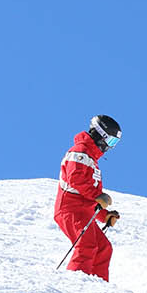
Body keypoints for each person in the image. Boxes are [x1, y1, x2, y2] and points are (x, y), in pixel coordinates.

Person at [54, 115, 123, 282]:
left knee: (103, 248)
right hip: (70, 210)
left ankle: (98, 287)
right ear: (101, 136)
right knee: (87, 246)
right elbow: (75, 180)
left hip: (83, 212)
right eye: (111, 142)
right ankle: (76, 284)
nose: (111, 147)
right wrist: (97, 195)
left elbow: (90, 199)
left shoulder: (91, 159)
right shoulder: (79, 151)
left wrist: (104, 215)